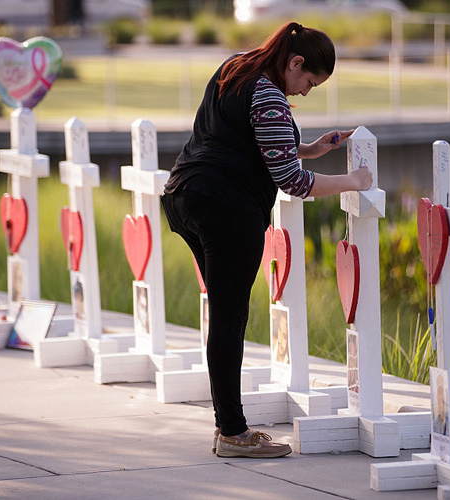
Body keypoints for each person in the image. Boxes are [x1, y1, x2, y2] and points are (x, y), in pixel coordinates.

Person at [161, 21, 373, 459]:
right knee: (230, 317)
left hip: (185, 196)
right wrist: (351, 180)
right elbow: (293, 182)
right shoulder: (270, 94)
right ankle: (232, 432)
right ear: (294, 63)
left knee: (226, 313)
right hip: (225, 207)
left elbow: (244, 139)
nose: (305, 92)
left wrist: (309, 147)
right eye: (309, 81)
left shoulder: (235, 69)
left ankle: (229, 428)